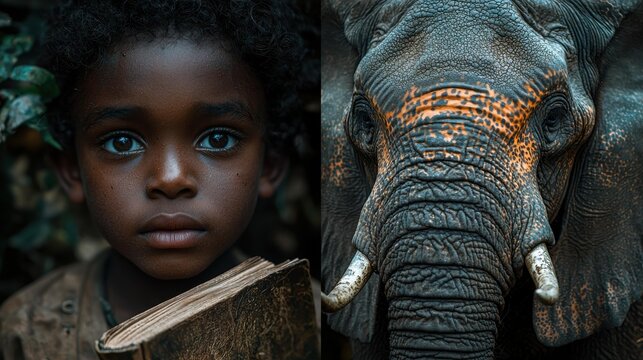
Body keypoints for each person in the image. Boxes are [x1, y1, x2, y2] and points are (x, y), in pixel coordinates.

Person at [0, 0, 314, 358]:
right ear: (72, 170)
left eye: (218, 139)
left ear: (270, 165)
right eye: (122, 142)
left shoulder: (313, 321)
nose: (170, 178)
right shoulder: (27, 332)